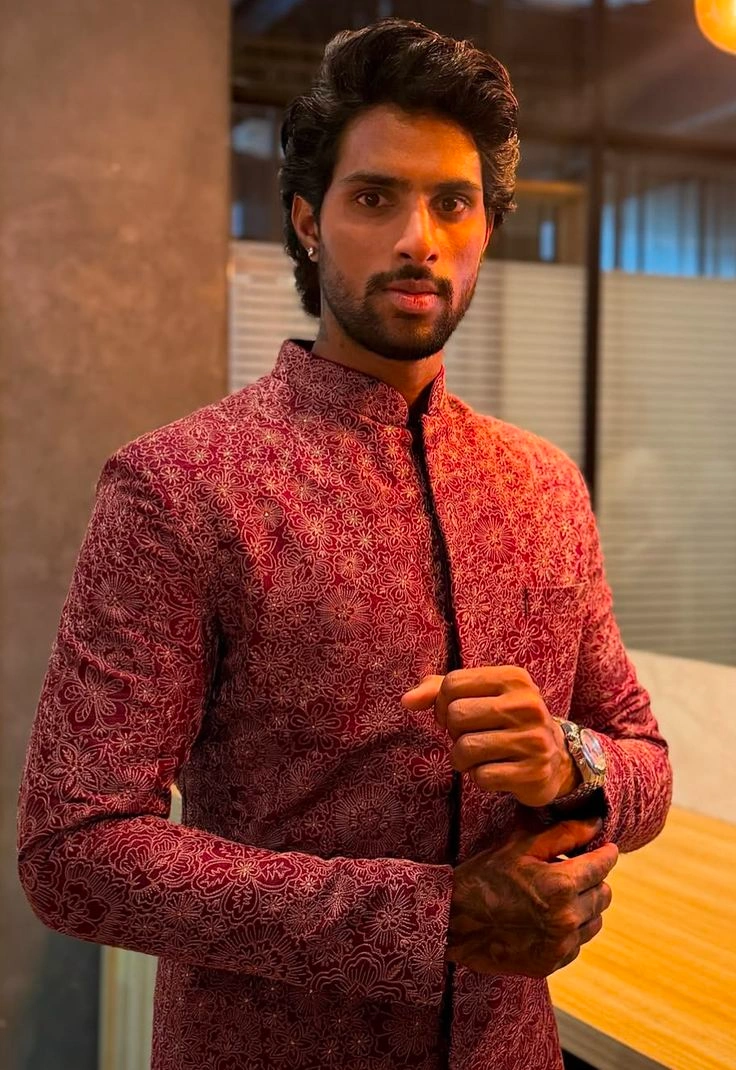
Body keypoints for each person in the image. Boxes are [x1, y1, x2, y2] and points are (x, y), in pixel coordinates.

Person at [17, 18, 672, 1070]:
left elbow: (644, 764)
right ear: (308, 223)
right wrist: (435, 917)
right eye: (375, 198)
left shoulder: (544, 487)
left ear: (487, 228)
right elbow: (74, 850)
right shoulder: (181, 485)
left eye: (452, 203)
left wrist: (566, 761)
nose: (419, 238)